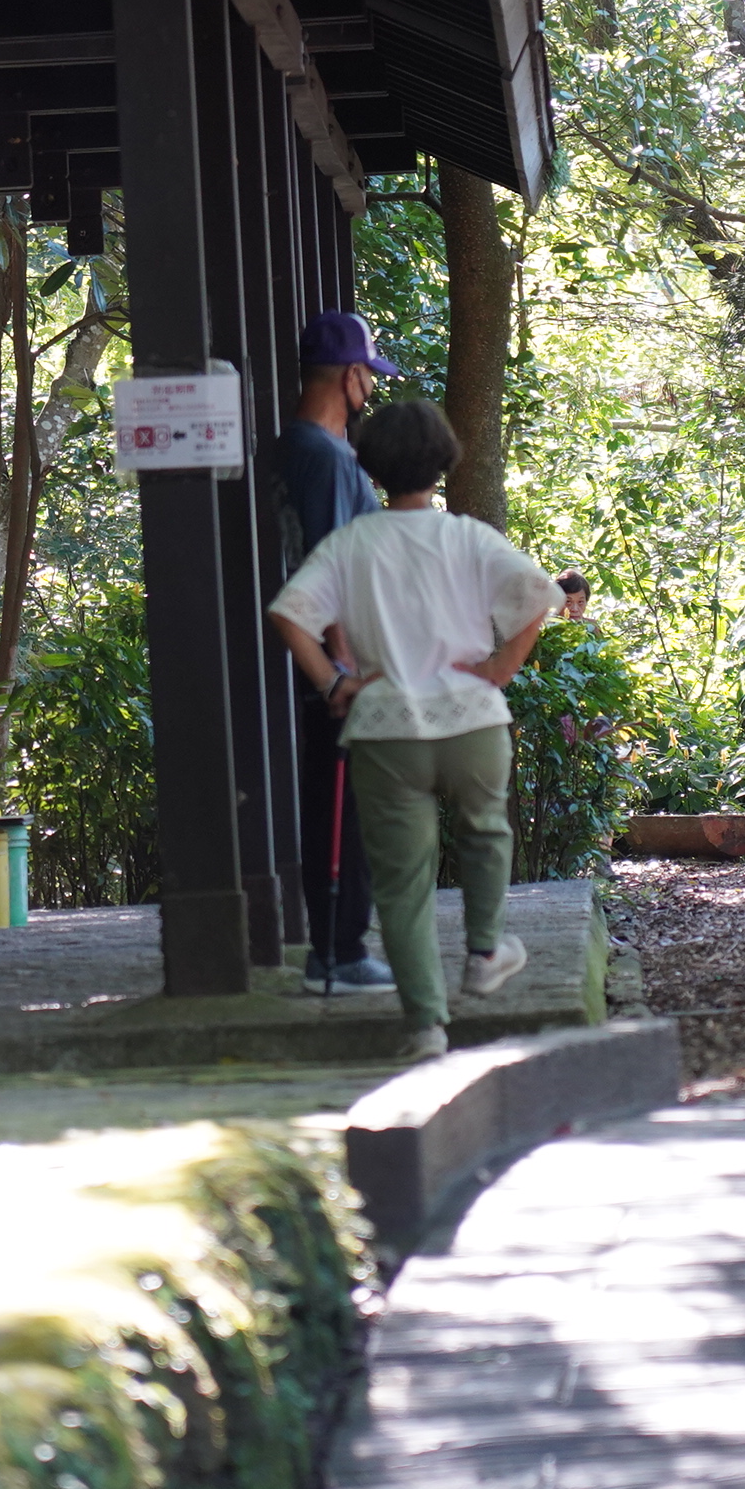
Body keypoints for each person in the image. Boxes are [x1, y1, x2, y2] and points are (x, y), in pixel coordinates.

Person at [266, 397, 563, 1058]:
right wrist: (497, 669)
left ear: (370, 467)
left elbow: (289, 614)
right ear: (444, 462)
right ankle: (485, 951)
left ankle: (426, 1025)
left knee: (403, 884)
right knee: (486, 830)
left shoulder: (350, 544)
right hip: (471, 722)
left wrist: (334, 682)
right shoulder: (468, 537)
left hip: (385, 729)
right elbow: (540, 595)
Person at [275, 309, 396, 993]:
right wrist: (342, 672)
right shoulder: (323, 456)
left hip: (319, 667)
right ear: (352, 377)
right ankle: (339, 950)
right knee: (344, 808)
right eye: (369, 377)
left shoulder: (295, 448)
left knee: (335, 803)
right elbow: (329, 567)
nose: (370, 389)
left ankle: (338, 945)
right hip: (334, 672)